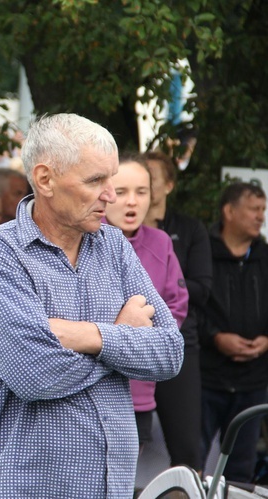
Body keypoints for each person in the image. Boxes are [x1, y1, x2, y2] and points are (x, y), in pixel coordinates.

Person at [0, 113, 184, 498]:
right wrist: (122, 334)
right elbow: (34, 374)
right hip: (22, 487)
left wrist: (88, 335)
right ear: (45, 179)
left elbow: (169, 353)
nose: (111, 195)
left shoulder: (114, 247)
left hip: (110, 486)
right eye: (96, 180)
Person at [104, 155, 189, 451]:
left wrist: (136, 339)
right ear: (104, 191)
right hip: (88, 390)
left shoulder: (161, 242)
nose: (132, 202)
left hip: (140, 391)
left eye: (141, 192)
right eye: (122, 191)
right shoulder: (84, 238)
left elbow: (175, 308)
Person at [142, 149, 211, 470]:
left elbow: (198, 289)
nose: (145, 191)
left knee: (187, 449)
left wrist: (157, 307)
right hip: (130, 346)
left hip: (177, 342)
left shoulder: (185, 230)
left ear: (168, 185)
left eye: (148, 183)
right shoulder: (111, 234)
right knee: (121, 450)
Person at [199, 182, 268, 483]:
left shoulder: (266, 255)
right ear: (229, 211)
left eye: (263, 210)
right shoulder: (202, 253)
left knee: (241, 470)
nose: (261, 217)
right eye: (254, 209)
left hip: (253, 382)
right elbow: (188, 306)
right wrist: (215, 337)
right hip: (206, 379)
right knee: (192, 460)